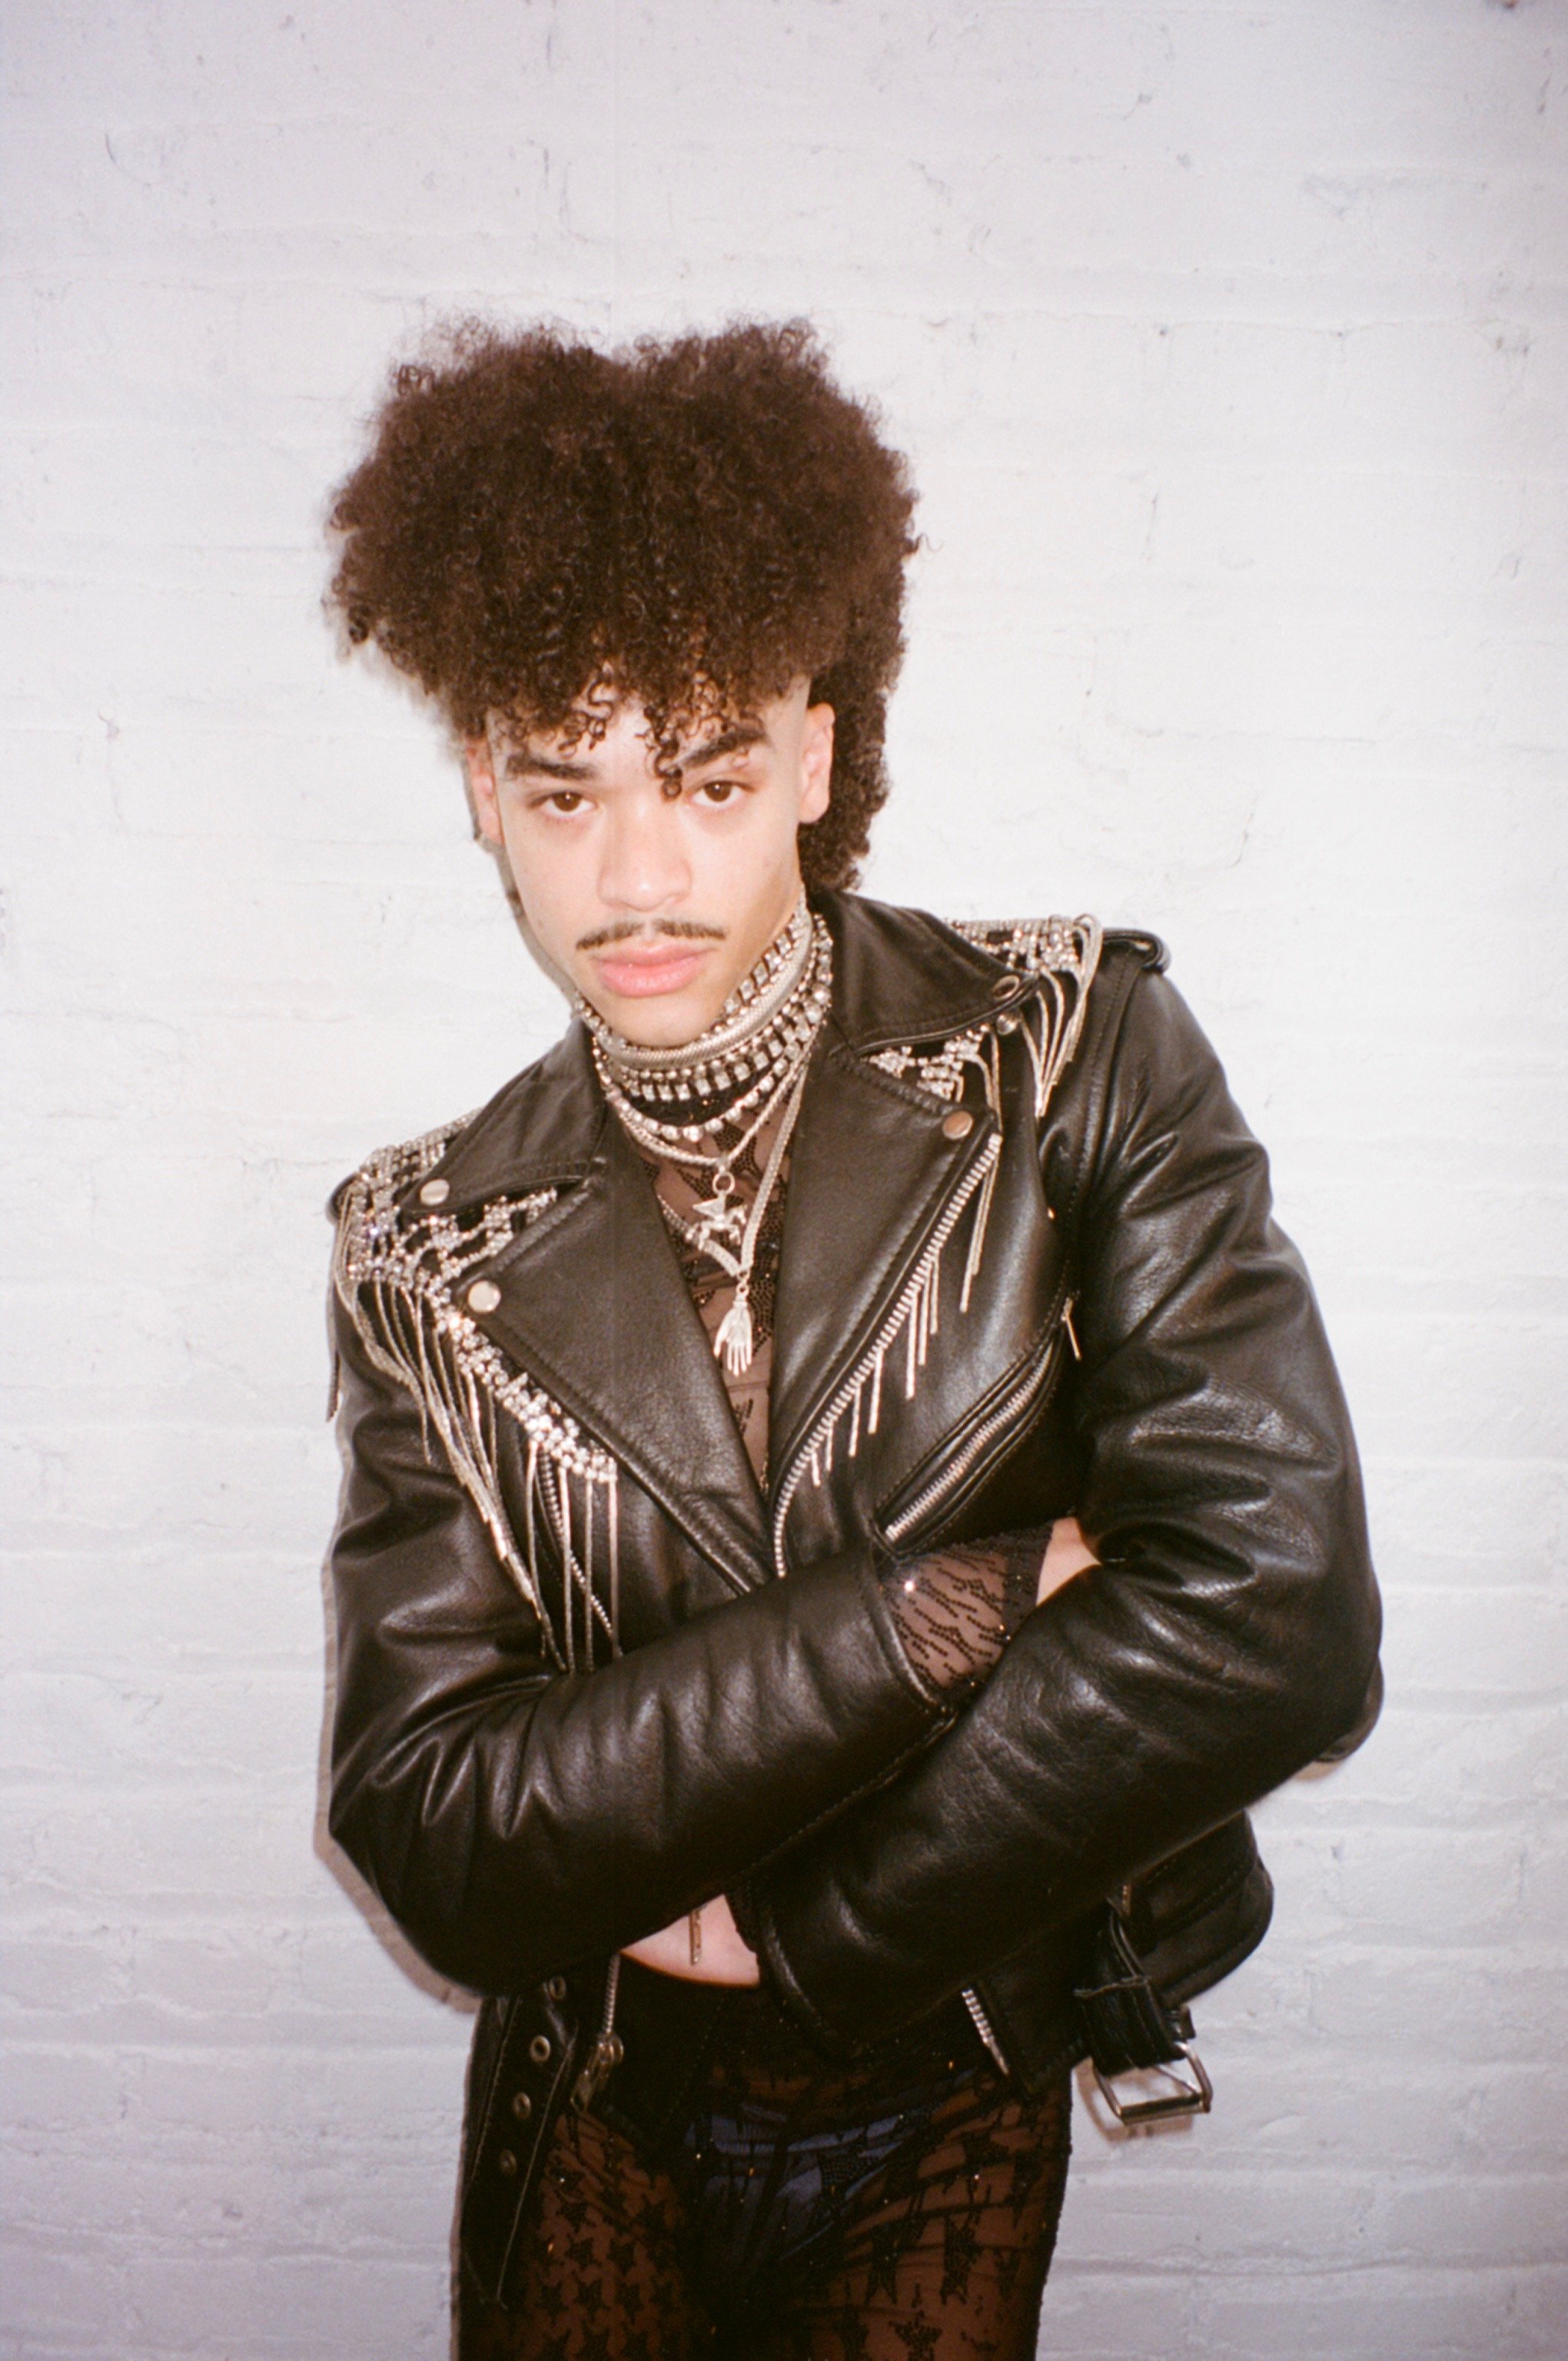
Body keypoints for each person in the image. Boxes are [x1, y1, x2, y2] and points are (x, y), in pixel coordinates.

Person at [321, 320, 1381, 2360]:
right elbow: (440, 1826)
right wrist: (968, 1602)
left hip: (958, 2085)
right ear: (485, 793)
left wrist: (805, 1929)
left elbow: (1282, 1615)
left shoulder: (1072, 1054)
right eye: (565, 787)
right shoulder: (418, 1250)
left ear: (815, 754)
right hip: (595, 2102)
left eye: (711, 776)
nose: (638, 873)